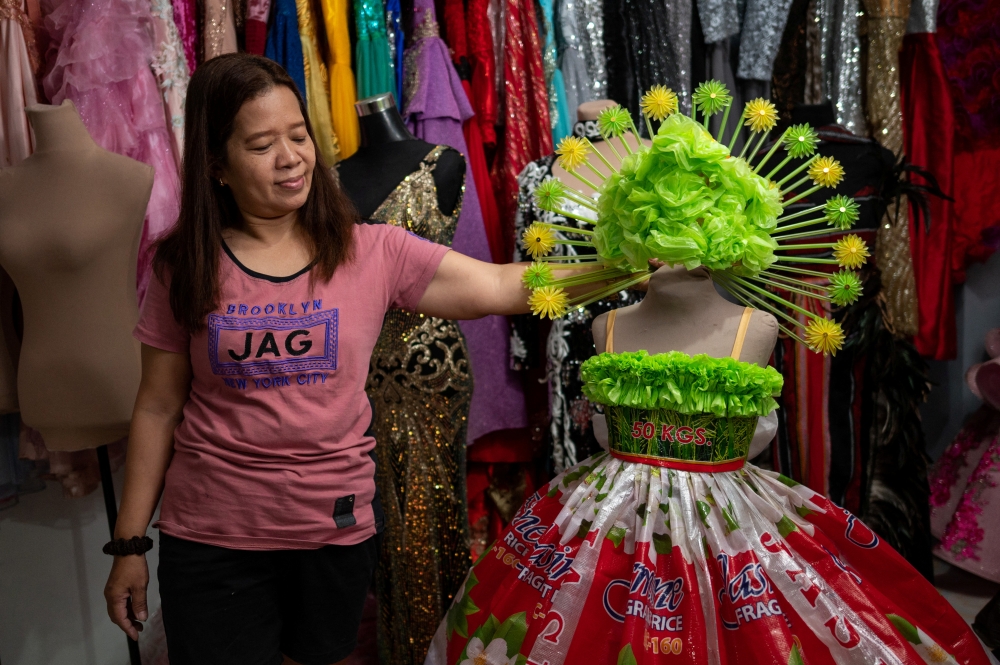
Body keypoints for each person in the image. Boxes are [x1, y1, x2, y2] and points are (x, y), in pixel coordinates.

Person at [102, 53, 533, 665]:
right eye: (261, 144)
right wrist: (128, 546)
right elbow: (157, 405)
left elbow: (500, 287)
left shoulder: (372, 250)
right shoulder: (185, 264)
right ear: (216, 165)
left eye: (299, 135)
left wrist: (623, 267)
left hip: (333, 533)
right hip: (212, 539)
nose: (290, 157)